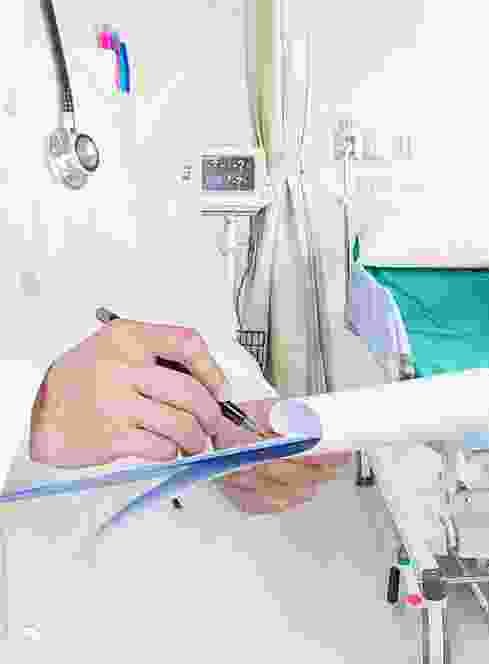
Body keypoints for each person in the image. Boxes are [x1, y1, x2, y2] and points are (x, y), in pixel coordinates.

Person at [0, 4, 365, 661]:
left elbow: (170, 281)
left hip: (110, 585)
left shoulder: (125, 24)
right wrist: (31, 406)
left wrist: (232, 414)